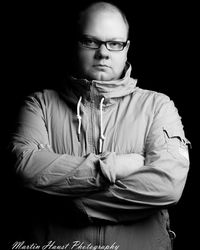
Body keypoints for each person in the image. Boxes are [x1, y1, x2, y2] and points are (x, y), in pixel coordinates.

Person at [9, 1, 190, 249]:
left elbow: (167, 186)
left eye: (114, 44)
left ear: (126, 48)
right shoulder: (39, 105)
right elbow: (26, 169)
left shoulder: (158, 106)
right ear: (75, 43)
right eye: (90, 41)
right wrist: (111, 168)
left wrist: (70, 203)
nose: (103, 52)